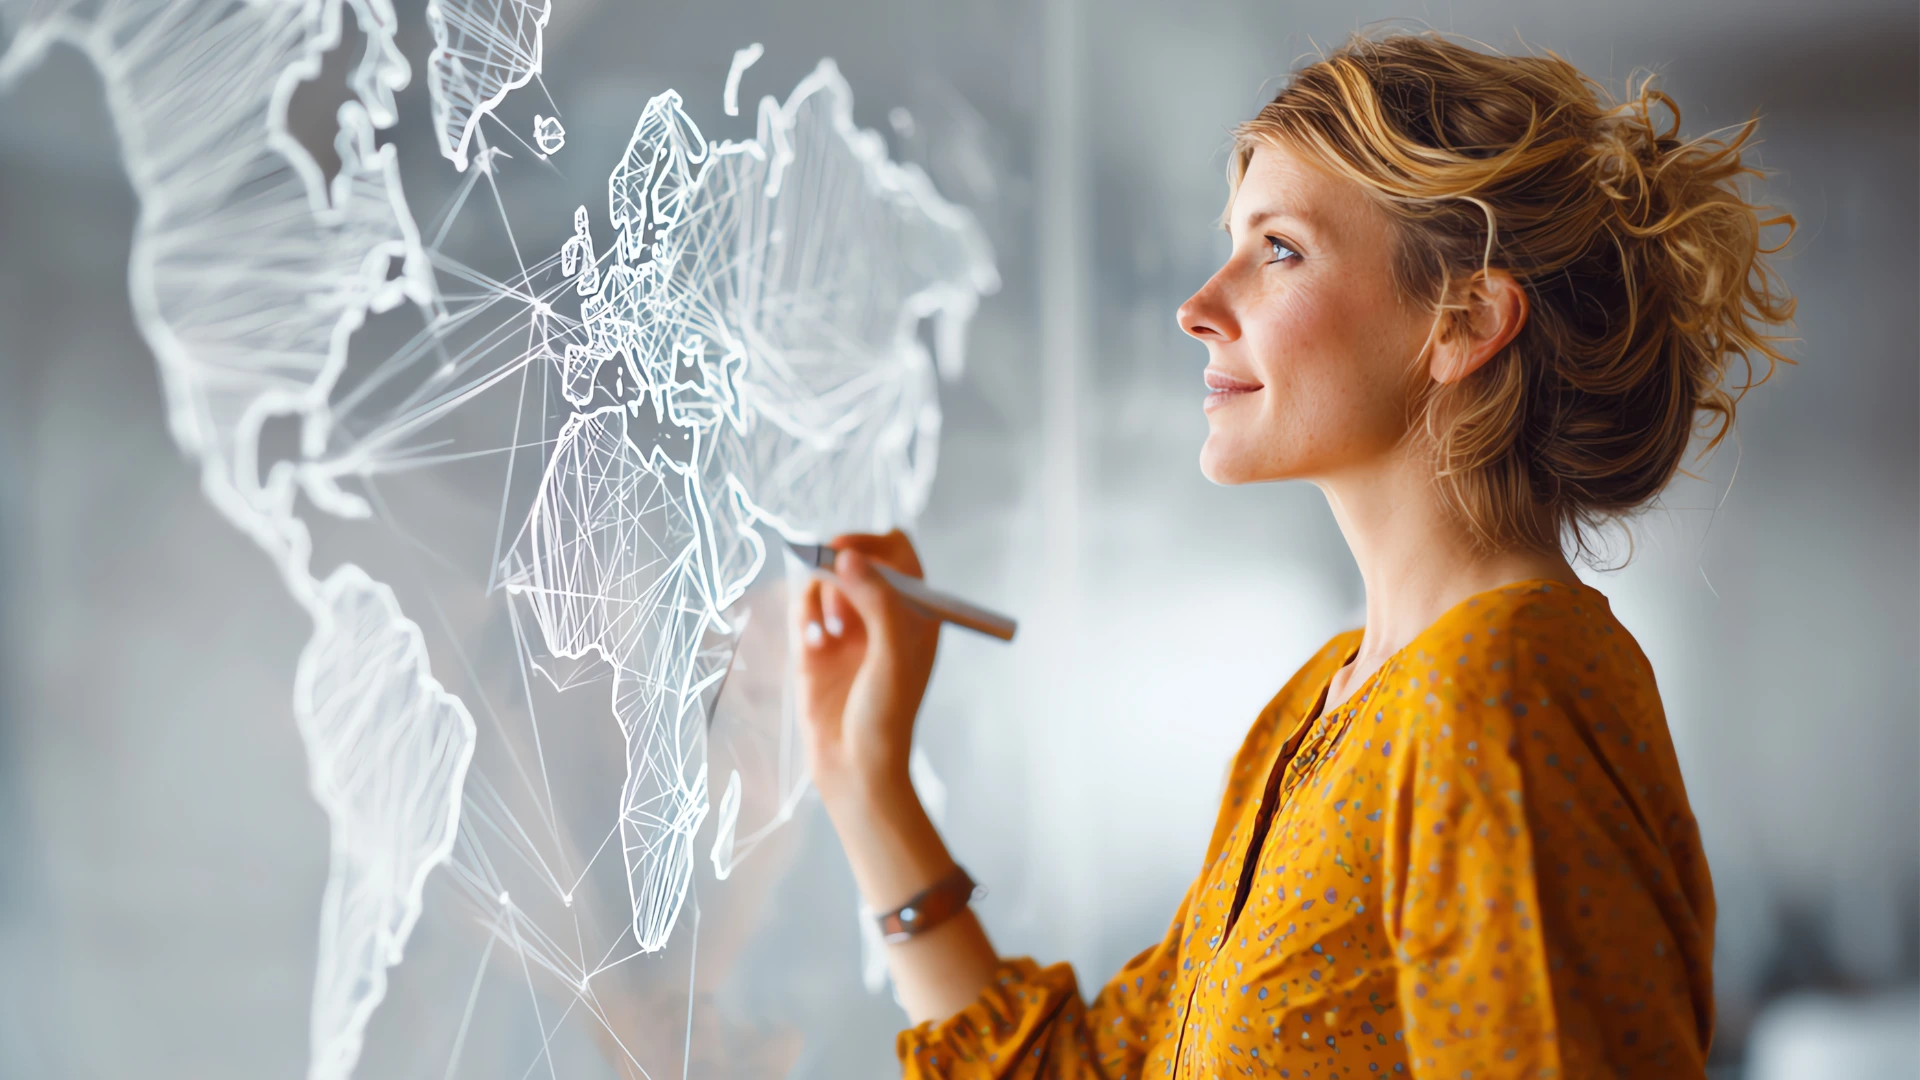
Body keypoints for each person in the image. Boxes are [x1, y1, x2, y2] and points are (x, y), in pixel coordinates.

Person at [791, 31, 1794, 1079]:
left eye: (1278, 250)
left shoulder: (1498, 695)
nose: (1197, 308)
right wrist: (865, 781)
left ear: (1464, 321)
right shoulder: (1323, 702)